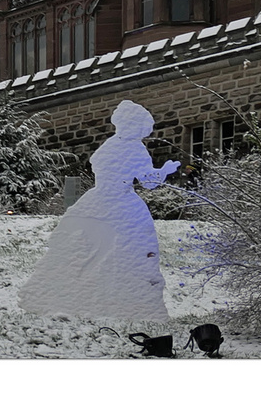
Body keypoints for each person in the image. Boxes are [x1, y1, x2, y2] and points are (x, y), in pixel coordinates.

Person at [18, 99, 180, 319]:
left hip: (96, 200)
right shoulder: (134, 148)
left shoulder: (110, 144)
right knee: (130, 250)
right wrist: (165, 170)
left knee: (84, 249)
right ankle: (128, 304)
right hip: (122, 204)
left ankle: (66, 296)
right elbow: (149, 181)